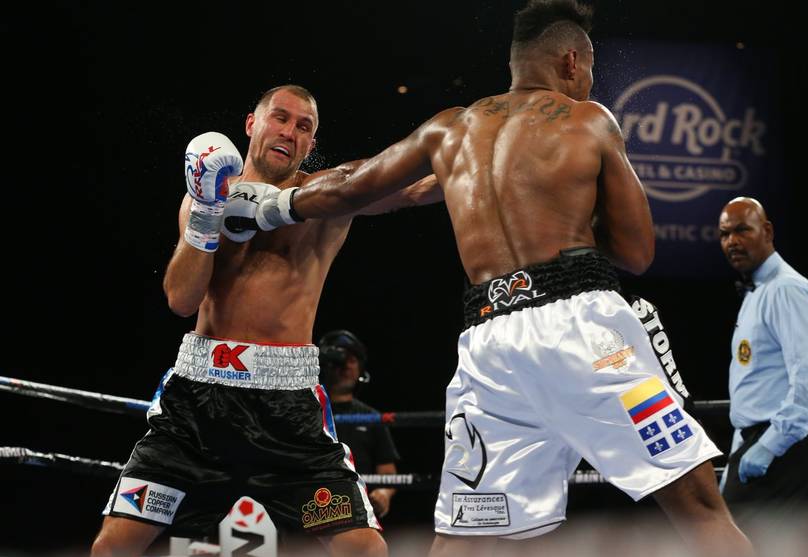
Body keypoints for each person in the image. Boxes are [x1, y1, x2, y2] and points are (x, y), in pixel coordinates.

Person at [248, 1, 753, 555]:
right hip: (586, 332)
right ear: (571, 60)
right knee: (698, 504)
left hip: (491, 346)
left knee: (466, 535)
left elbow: (350, 185)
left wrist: (270, 205)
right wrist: (569, 211)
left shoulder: (449, 129)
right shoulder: (589, 119)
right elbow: (637, 253)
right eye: (589, 68)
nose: (589, 81)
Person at [90, 85, 438, 557]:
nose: (290, 131)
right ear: (252, 124)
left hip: (288, 416)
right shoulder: (204, 196)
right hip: (197, 408)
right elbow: (181, 300)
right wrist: (206, 214)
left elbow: (413, 187)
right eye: (281, 117)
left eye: (304, 126)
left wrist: (489, 164)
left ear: (311, 144)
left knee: (364, 549)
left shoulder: (328, 198)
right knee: (113, 547)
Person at [717, 196, 808, 547]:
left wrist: (771, 445)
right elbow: (756, 387)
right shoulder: (758, 292)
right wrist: (741, 451)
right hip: (768, 440)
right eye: (724, 234)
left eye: (742, 230)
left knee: (731, 545)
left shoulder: (787, 289)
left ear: (767, 231)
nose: (732, 241)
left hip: (790, 444)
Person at [318, 329, 400, 519]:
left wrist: (384, 493)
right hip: (313, 505)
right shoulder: (305, 412)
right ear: (325, 365)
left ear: (361, 369)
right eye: (339, 360)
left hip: (359, 511)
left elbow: (388, 472)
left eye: (352, 360)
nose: (345, 366)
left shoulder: (371, 417)